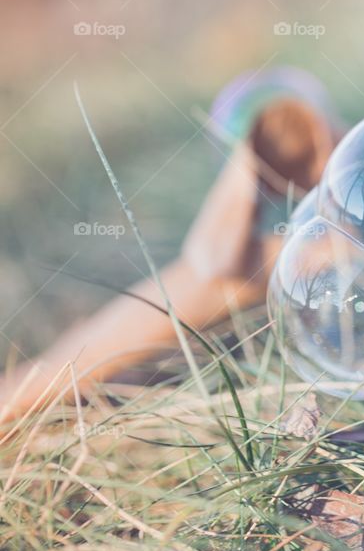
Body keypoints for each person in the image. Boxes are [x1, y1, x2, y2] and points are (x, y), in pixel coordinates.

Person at [0, 95, 339, 427]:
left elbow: (211, 261)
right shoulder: (306, 246)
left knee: (213, 279)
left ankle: (19, 398)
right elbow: (213, 261)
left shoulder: (320, 247)